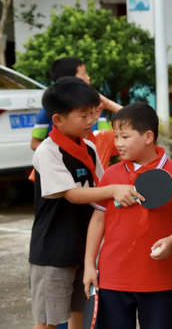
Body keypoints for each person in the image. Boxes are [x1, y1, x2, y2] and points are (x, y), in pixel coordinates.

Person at [29, 77, 139, 329]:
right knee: (48, 321)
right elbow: (72, 194)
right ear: (58, 120)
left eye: (93, 113)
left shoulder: (88, 147)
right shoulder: (47, 151)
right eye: (83, 116)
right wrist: (113, 190)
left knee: (79, 314)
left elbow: (100, 185)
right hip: (52, 252)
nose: (91, 121)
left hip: (82, 248)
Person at [83, 103, 172, 329]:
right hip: (112, 278)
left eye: (125, 136)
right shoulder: (111, 174)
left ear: (148, 137)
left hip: (159, 280)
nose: (118, 143)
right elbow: (98, 220)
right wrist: (90, 265)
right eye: (116, 136)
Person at [31, 56, 122, 151]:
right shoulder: (50, 109)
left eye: (92, 114)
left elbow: (106, 137)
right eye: (84, 74)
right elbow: (35, 143)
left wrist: (108, 104)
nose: (90, 121)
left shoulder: (96, 107)